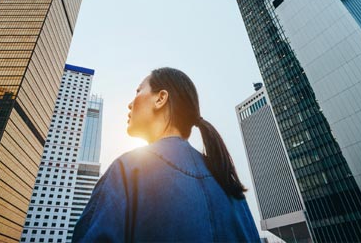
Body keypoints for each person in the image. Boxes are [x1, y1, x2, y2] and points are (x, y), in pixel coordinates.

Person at [73, 67, 260, 242]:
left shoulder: (127, 171)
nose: (130, 104)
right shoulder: (229, 185)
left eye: (138, 91)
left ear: (160, 99)